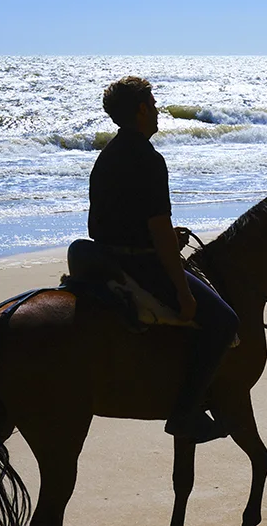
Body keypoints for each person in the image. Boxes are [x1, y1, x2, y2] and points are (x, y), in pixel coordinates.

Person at [75, 76, 238, 443]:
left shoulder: (107, 155)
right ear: (141, 110)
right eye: (153, 102)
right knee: (224, 321)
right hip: (140, 264)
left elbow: (105, 221)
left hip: (106, 256)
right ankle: (185, 414)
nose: (158, 109)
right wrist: (182, 292)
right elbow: (159, 231)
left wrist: (157, 236)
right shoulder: (149, 159)